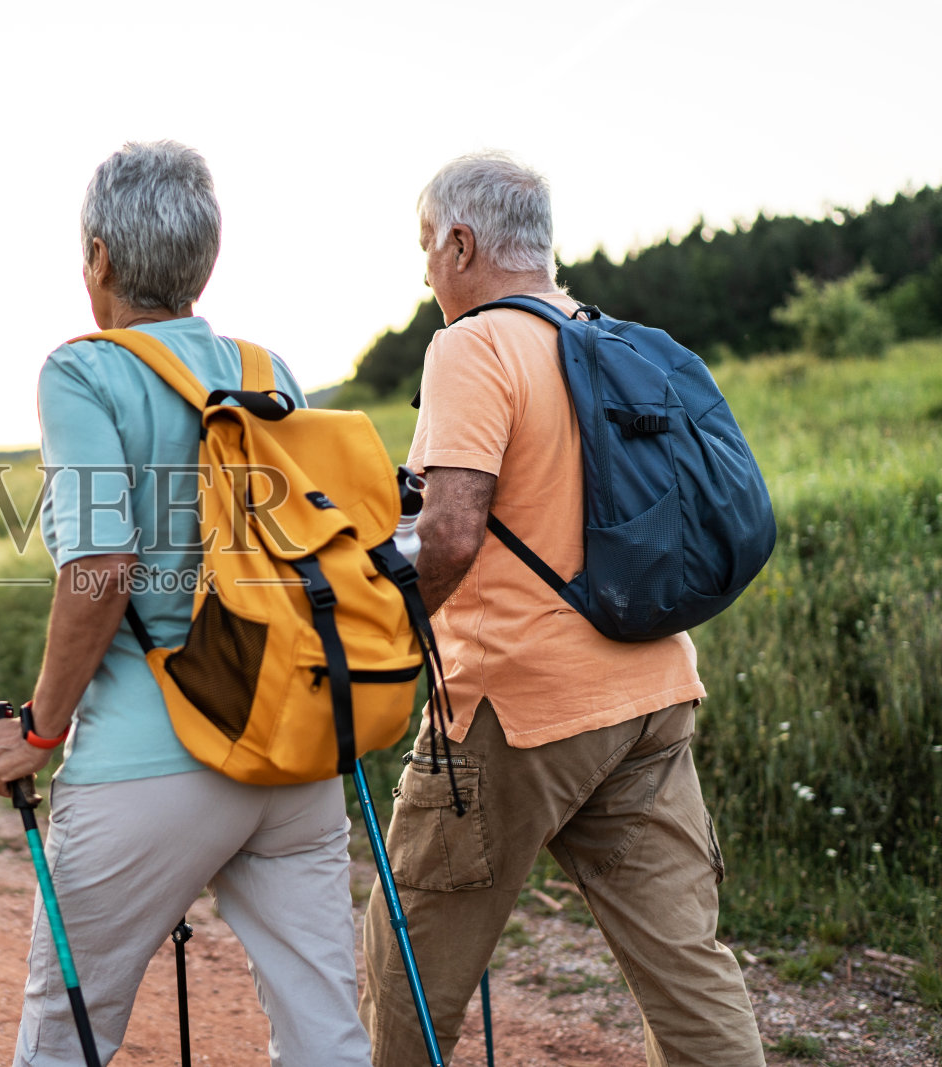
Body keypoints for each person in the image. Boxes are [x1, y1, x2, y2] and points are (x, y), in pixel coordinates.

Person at [357, 152, 766, 1067]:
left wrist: (377, 635)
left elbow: (453, 536)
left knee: (408, 968)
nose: (427, 271)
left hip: (518, 710)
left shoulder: (472, 344)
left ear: (461, 242)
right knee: (687, 969)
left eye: (427, 248)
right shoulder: (614, 342)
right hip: (652, 689)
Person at [0, 140, 372, 1067]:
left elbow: (100, 568)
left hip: (152, 763)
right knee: (326, 1041)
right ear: (204, 259)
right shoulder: (267, 369)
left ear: (101, 261)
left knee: (66, 1036)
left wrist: (39, 727)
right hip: (294, 753)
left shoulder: (82, 372)